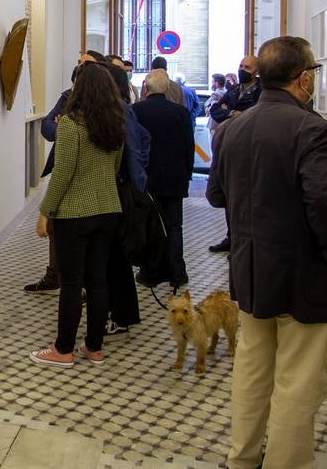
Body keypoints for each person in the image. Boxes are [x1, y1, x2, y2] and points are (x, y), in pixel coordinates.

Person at [206, 36, 327, 469]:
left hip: (251, 271)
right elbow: (324, 201)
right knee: (299, 379)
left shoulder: (233, 130)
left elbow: (217, 196)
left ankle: (242, 462)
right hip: (302, 275)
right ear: (303, 78)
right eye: (314, 73)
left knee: (253, 367)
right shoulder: (311, 130)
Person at [30, 62, 128, 365]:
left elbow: (63, 174)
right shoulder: (116, 124)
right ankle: (94, 347)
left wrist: (45, 211)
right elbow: (114, 168)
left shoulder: (72, 124)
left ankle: (63, 349)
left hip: (74, 213)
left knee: (71, 283)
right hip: (108, 209)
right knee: (98, 281)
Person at [26, 50, 107, 294]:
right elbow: (48, 127)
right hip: (72, 178)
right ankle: (54, 275)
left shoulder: (107, 107)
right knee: (58, 232)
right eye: (79, 64)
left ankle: (77, 285)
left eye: (86, 64)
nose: (80, 68)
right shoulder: (67, 98)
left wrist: (67, 128)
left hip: (94, 184)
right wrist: (65, 130)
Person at [131, 69, 194, 290]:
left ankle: (149, 272)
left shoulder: (135, 110)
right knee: (175, 226)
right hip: (174, 179)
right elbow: (189, 147)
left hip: (146, 181)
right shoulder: (181, 113)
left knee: (149, 226)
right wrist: (187, 176)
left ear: (145, 88)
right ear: (167, 88)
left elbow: (134, 147)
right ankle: (178, 273)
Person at [103, 61, 148, 335]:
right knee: (115, 257)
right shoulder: (120, 111)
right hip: (120, 190)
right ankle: (122, 313)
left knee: (116, 257)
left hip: (122, 192)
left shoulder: (120, 111)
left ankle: (121, 314)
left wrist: (138, 187)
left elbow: (135, 149)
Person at [207, 54, 262, 253]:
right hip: (228, 145)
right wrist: (231, 112)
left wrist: (237, 113)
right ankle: (232, 238)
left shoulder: (260, 92)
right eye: (241, 65)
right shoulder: (234, 91)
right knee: (229, 195)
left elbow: (256, 113)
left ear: (256, 71)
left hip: (248, 147)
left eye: (247, 67)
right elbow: (215, 110)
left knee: (246, 199)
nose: (242, 69)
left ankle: (245, 243)